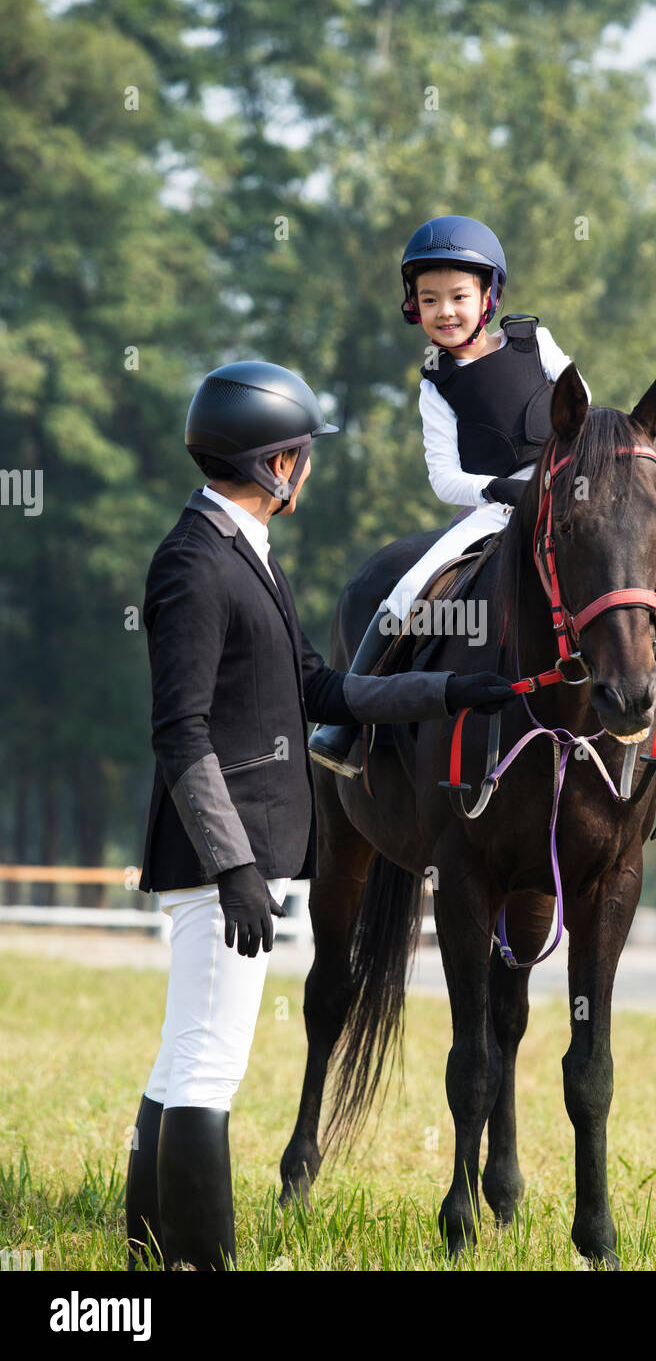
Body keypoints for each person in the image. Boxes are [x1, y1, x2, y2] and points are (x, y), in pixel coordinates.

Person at [125, 360, 513, 1271]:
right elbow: (180, 736)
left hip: (238, 852)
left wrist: (452, 688)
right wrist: (233, 870)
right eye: (300, 454)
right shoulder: (192, 564)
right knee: (212, 1068)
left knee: (183, 1055)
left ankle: (145, 1246)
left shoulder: (241, 552)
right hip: (224, 856)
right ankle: (199, 1261)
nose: (307, 469)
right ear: (273, 465)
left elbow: (321, 688)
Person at [309, 215, 656, 797]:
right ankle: (344, 723)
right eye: (430, 300)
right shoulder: (435, 383)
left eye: (458, 296)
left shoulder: (534, 341)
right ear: (415, 307)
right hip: (498, 506)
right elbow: (443, 478)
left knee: (635, 584)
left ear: (488, 296)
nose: (445, 311)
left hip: (565, 491)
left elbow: (576, 409)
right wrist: (499, 490)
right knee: (408, 589)